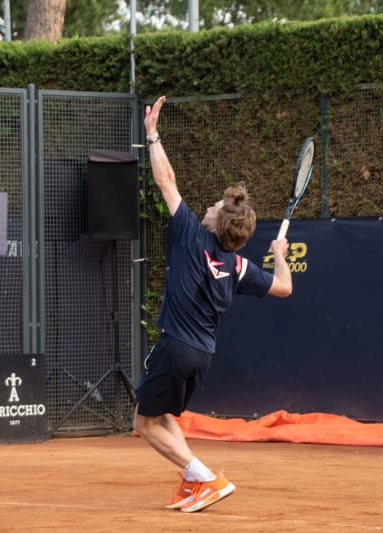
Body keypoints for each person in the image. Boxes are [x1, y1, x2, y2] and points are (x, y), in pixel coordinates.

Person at [133, 95, 293, 513]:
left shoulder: (190, 234)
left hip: (176, 346)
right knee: (166, 416)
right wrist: (278, 252)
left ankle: (205, 476)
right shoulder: (238, 264)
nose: (206, 205)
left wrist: (152, 134)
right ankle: (191, 483)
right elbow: (283, 288)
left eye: (214, 206)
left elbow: (165, 181)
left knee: (144, 423)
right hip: (202, 354)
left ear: (214, 222)